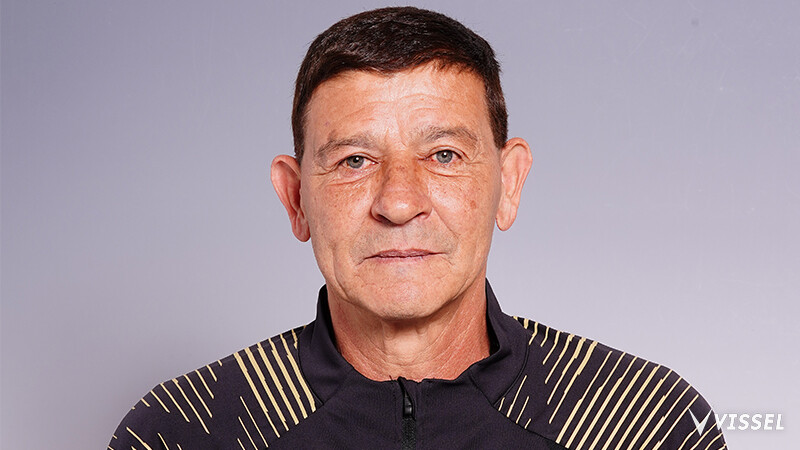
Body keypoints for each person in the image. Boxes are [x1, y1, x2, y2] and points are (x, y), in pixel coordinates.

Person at [109, 7, 725, 449]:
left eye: (443, 156)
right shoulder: (183, 432)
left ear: (508, 184)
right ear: (296, 198)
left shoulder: (643, 424)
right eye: (355, 161)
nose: (399, 203)